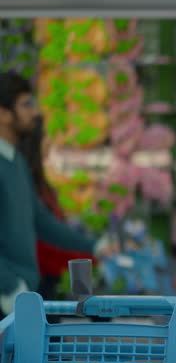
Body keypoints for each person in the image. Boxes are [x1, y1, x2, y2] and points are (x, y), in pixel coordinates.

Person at [0, 71, 109, 317]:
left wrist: (95, 245)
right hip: (9, 296)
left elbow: (42, 221)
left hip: (25, 291)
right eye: (26, 104)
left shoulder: (16, 161)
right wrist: (8, 287)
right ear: (3, 113)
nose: (35, 113)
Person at [17, 120, 95, 302]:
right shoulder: (28, 182)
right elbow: (44, 230)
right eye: (46, 141)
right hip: (39, 275)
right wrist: (89, 251)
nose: (50, 147)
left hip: (46, 274)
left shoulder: (37, 181)